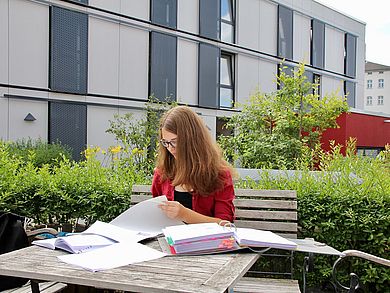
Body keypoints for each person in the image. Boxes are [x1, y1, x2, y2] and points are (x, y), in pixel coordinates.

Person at [151, 105, 236, 225]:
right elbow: (156, 216)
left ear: (192, 139)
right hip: (168, 241)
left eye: (175, 142)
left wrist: (185, 214)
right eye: (166, 142)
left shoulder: (219, 174)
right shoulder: (162, 172)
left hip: (205, 242)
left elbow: (225, 223)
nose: (170, 148)